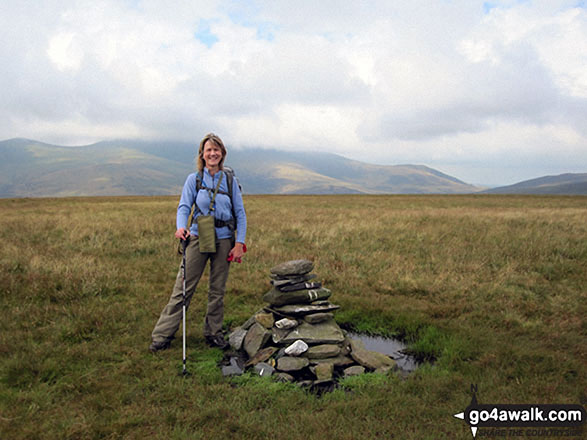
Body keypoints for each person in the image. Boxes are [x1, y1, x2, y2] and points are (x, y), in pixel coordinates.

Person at [149, 133, 247, 351]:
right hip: (197, 235)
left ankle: (213, 332)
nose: (212, 154)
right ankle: (163, 335)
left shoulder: (230, 180)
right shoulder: (194, 179)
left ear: (222, 154)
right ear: (202, 154)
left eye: (216, 150)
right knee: (183, 287)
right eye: (208, 150)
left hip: (224, 239)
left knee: (217, 289)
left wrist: (239, 243)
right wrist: (180, 227)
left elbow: (240, 213)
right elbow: (184, 206)